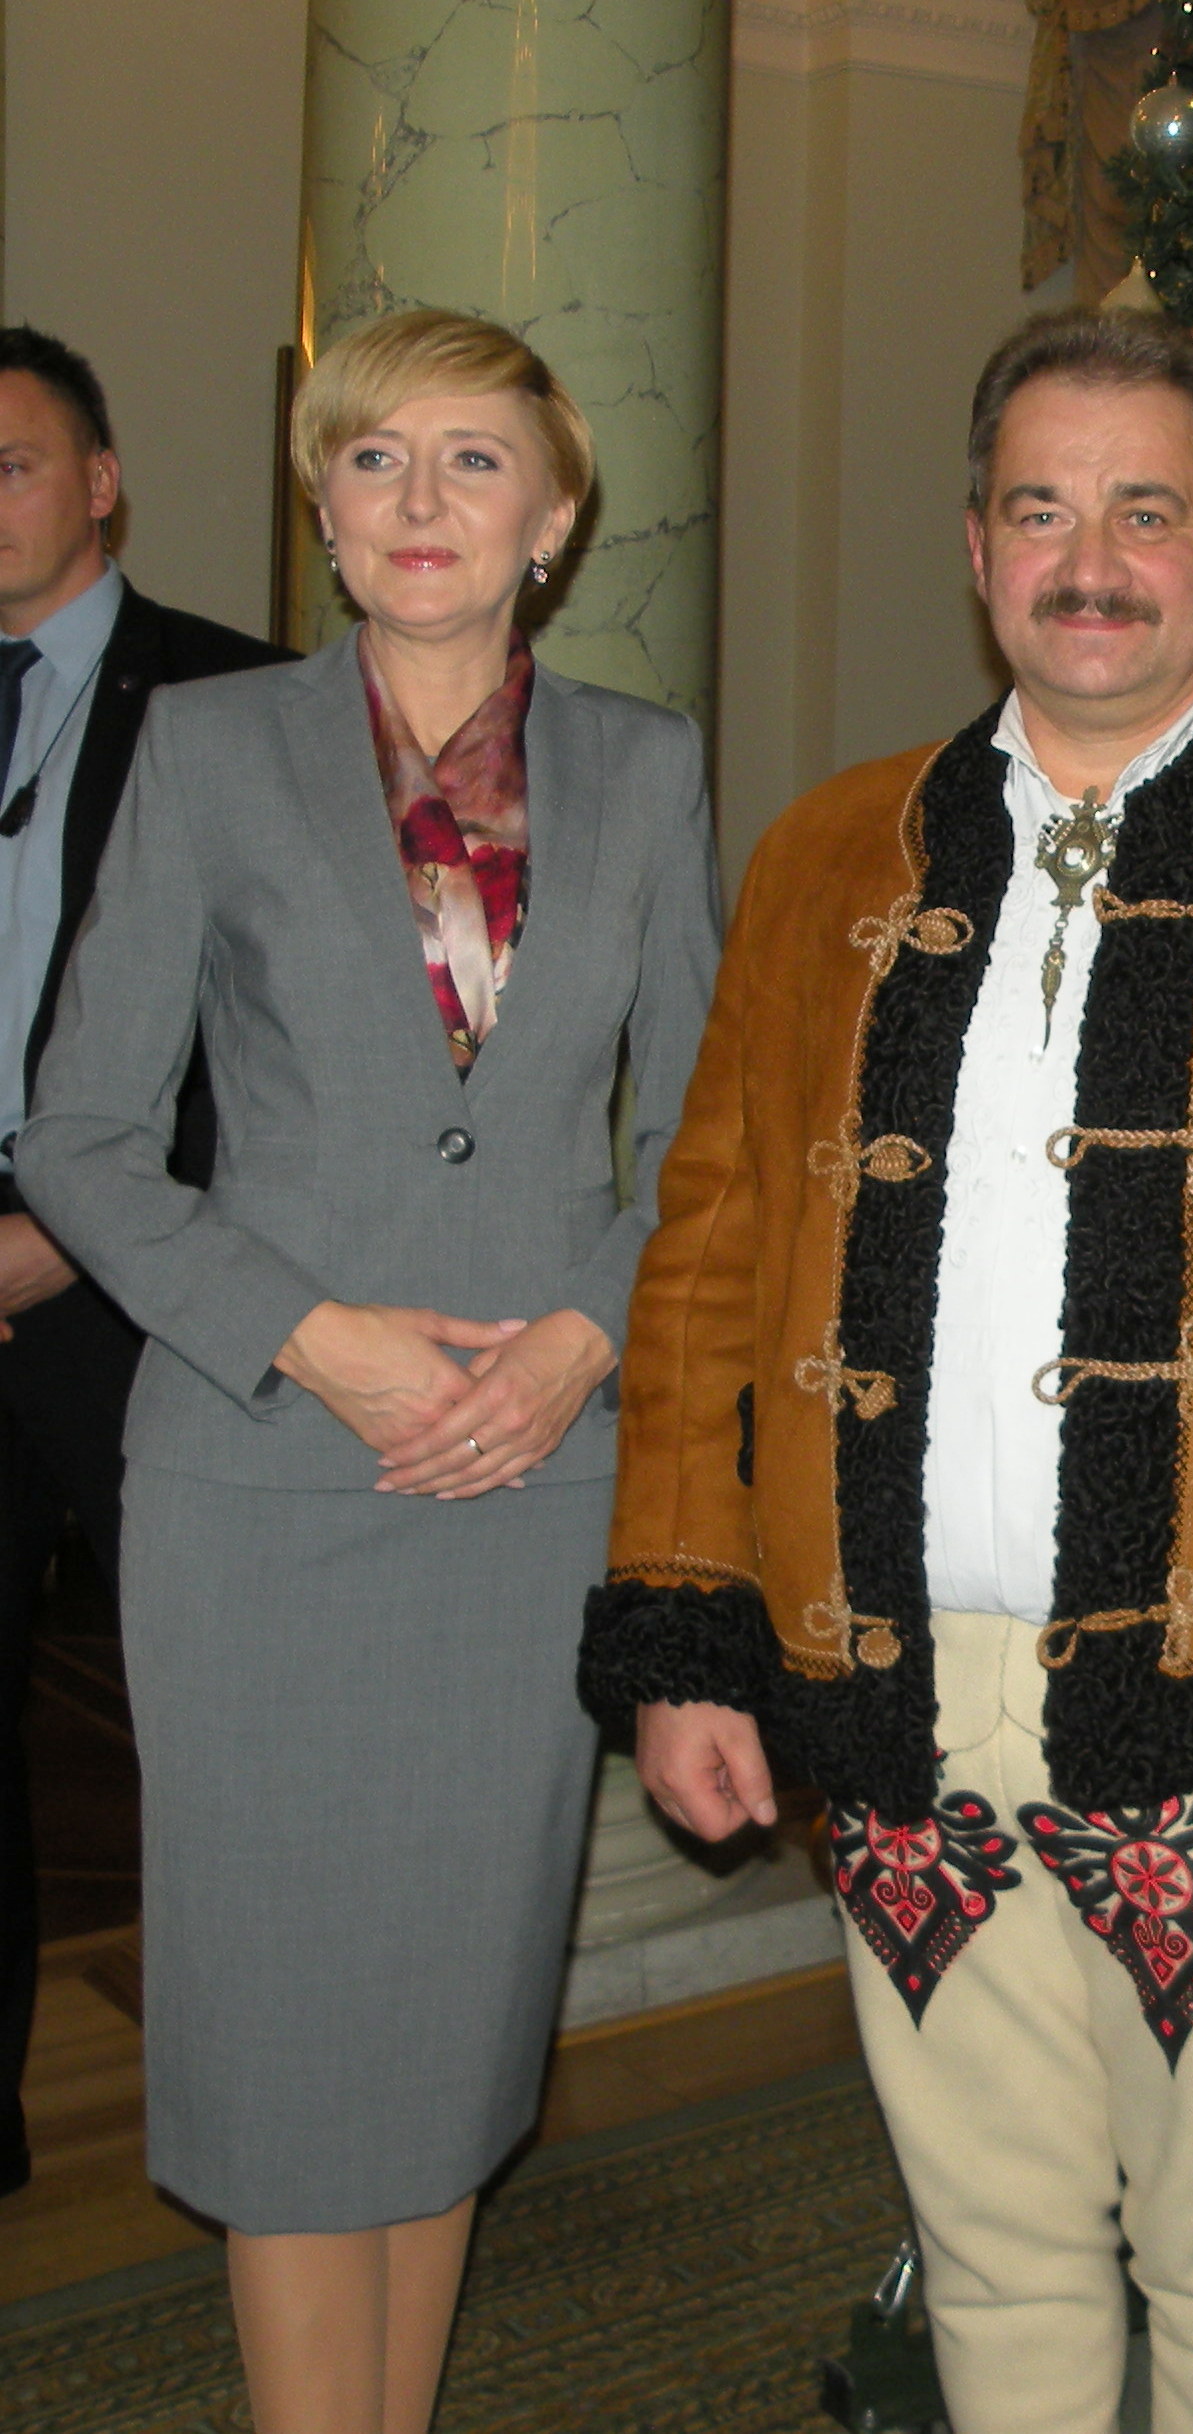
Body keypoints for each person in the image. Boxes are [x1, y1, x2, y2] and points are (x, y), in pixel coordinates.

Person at [577, 308, 1193, 2434]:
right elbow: (708, 1266)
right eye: (1041, 510)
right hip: (894, 1679)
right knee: (993, 2248)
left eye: (1145, 509)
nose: (1091, 560)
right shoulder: (831, 853)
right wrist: (684, 1632)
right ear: (976, 548)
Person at [19, 308, 720, 2433]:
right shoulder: (209, 748)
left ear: (555, 516)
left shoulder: (650, 767)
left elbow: (713, 1141)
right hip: (262, 1486)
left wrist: (587, 1334)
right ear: (322, 508)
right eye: (374, 457)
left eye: (474, 460)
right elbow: (82, 1138)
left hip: (528, 1488)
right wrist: (310, 1334)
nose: (422, 500)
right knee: (285, 2050)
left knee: (443, 2043)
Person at [0, 324, 285, 2199]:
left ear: (99, 482)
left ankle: (270, 2113)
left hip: (143, 1300)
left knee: (216, 1729)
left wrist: (69, 1232)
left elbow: (281, 1056)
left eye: (11, 461)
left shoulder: (237, 702)